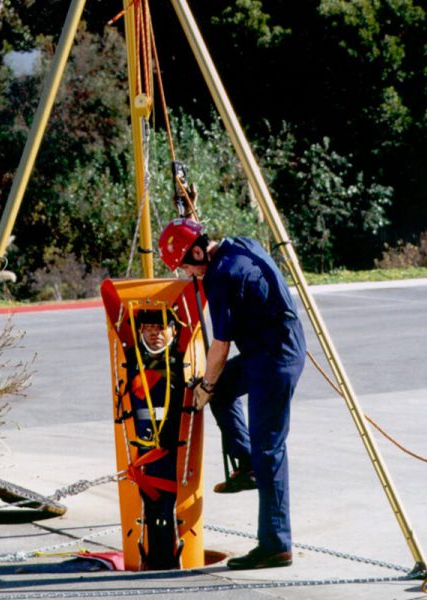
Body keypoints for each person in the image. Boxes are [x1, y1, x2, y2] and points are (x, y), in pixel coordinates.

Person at [158, 218, 306, 570]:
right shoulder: (239, 244)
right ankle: (246, 463)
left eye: (187, 266)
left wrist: (205, 388)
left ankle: (275, 544)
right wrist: (214, 388)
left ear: (198, 252)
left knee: (269, 448)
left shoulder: (220, 276)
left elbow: (220, 348)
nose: (189, 274)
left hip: (275, 359)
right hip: (264, 351)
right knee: (225, 393)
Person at [125, 309, 185, 570]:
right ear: (140, 331)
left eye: (161, 327)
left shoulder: (182, 361)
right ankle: (151, 558)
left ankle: (173, 559)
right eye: (148, 326)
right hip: (142, 453)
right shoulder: (129, 360)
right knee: (148, 507)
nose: (154, 332)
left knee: (171, 506)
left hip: (174, 450)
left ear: (173, 330)